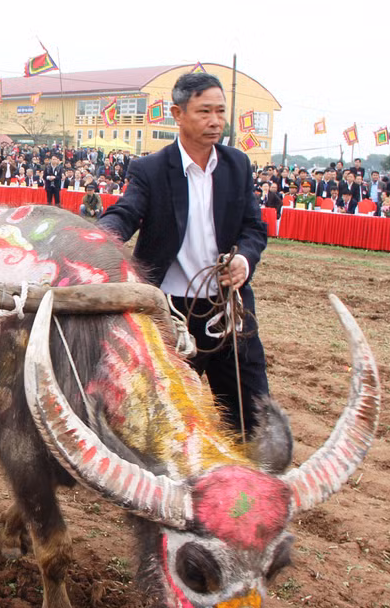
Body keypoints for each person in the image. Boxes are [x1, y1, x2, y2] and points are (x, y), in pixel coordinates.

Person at [98, 71, 270, 437]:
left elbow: (254, 228)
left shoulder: (237, 166)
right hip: (169, 314)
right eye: (204, 111)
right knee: (167, 421)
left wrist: (244, 260)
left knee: (251, 415)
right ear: (177, 114)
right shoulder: (151, 169)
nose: (215, 121)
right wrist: (95, 239)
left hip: (228, 310)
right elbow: (126, 212)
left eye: (220, 112)